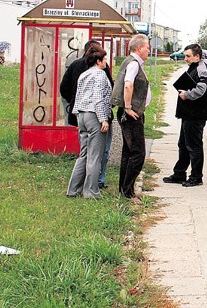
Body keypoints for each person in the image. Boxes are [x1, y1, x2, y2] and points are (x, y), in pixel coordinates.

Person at [60, 40, 114, 189]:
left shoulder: (84, 74)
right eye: (104, 60)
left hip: (81, 116)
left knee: (83, 154)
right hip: (94, 116)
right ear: (98, 61)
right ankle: (91, 190)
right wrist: (104, 119)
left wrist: (76, 113)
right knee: (95, 156)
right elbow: (98, 98)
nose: (106, 63)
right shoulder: (100, 75)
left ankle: (73, 189)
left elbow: (76, 95)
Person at [163, 44, 207, 187]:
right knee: (183, 145)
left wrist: (187, 95)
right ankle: (179, 173)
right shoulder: (195, 67)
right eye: (185, 56)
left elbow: (202, 89)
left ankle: (196, 177)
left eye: (188, 56)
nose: (185, 59)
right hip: (189, 114)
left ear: (197, 56)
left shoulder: (202, 70)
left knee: (194, 146)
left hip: (196, 115)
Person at [111, 34, 151, 202]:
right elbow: (128, 84)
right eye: (147, 47)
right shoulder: (134, 64)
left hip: (129, 112)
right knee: (138, 153)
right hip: (131, 113)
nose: (149, 50)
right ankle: (128, 193)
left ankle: (124, 189)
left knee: (128, 153)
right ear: (139, 48)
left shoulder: (129, 61)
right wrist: (128, 107)